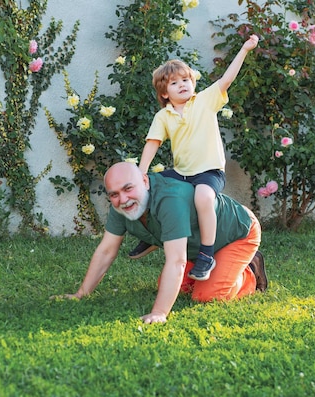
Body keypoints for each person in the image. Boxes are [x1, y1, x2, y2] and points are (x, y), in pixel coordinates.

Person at [58, 162, 267, 324]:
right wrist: (81, 294)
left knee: (208, 296)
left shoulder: (171, 199)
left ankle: (249, 273)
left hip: (237, 233)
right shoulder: (121, 207)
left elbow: (176, 261)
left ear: (145, 181)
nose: (123, 199)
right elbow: (106, 251)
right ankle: (217, 268)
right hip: (196, 245)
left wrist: (159, 312)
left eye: (128, 188)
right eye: (114, 194)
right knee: (178, 286)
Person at [131, 34, 260, 282]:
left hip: (209, 172)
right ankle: (152, 238)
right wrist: (142, 173)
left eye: (185, 79)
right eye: (174, 83)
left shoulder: (204, 101)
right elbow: (152, 144)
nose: (182, 85)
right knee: (150, 188)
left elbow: (227, 78)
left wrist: (244, 49)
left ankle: (206, 254)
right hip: (182, 173)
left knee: (203, 197)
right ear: (164, 93)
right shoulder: (164, 116)